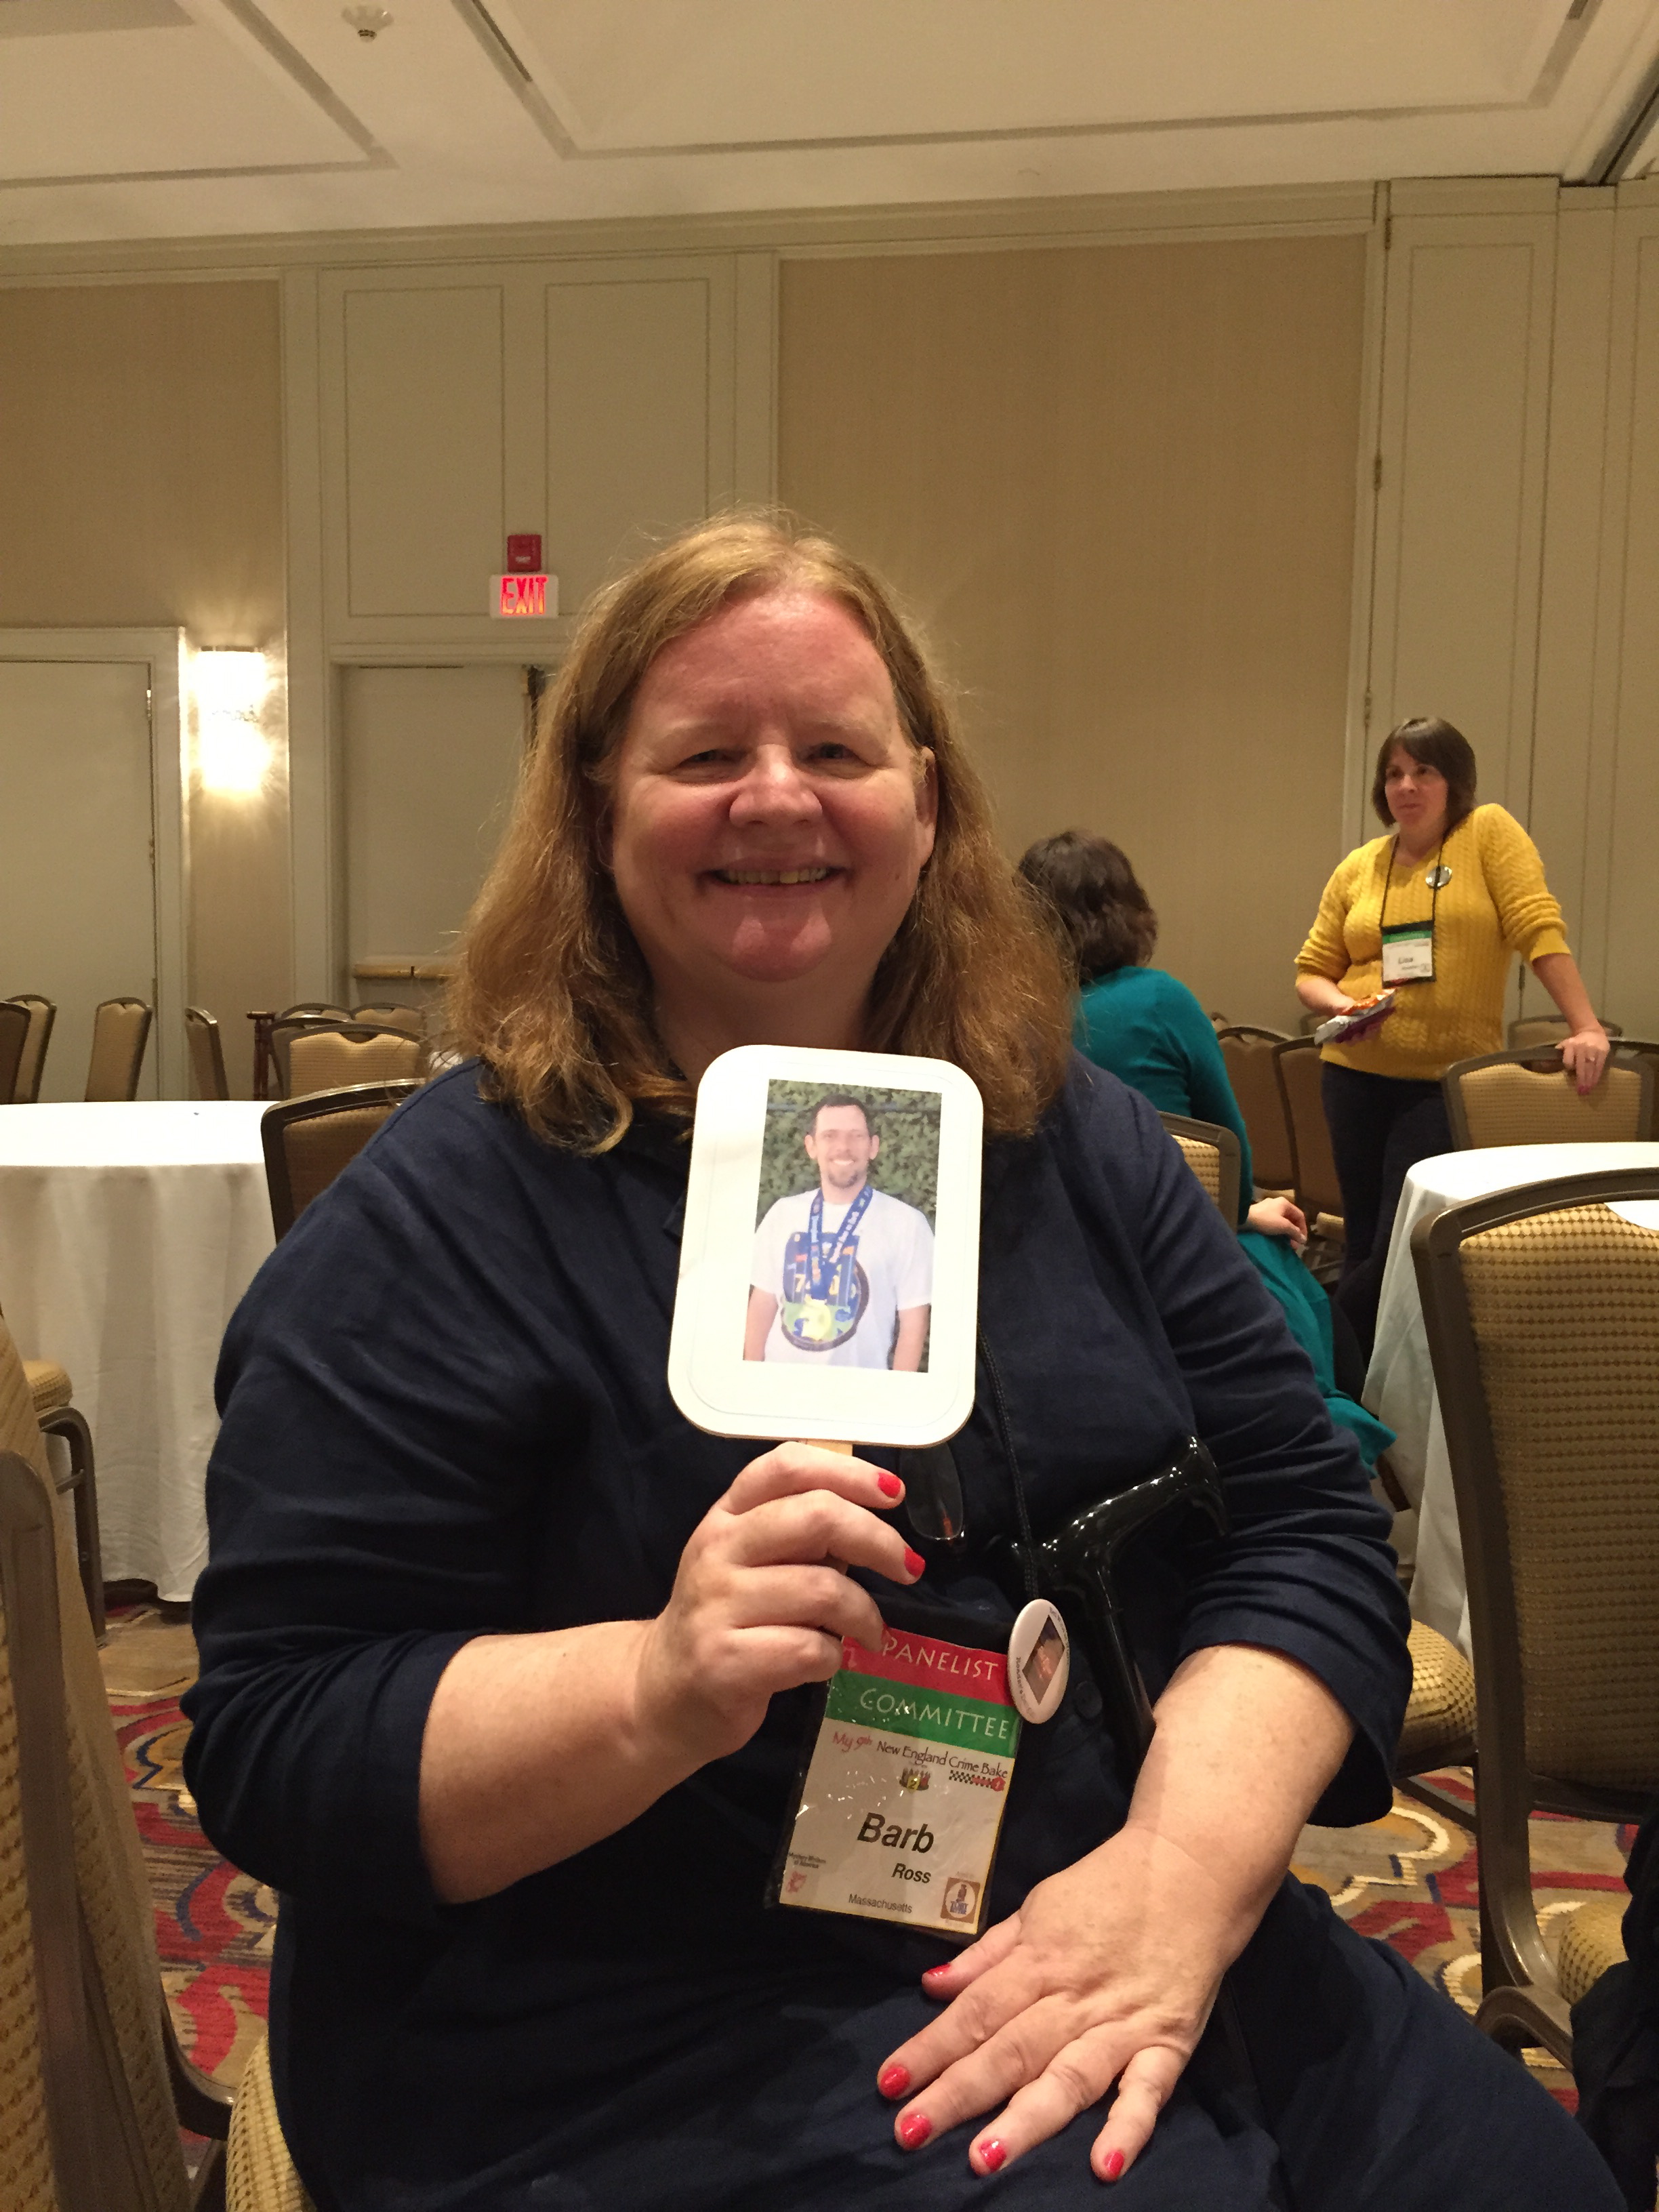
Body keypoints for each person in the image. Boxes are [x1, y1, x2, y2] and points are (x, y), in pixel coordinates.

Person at [183, 519, 1619, 2212]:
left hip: (1123, 1891)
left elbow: (1304, 1526)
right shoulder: (447, 1214)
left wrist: (1173, 1884)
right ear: (591, 811)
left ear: (924, 807)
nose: (776, 798)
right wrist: (652, 1686)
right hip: (633, 2020)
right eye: (704, 756)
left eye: (836, 750)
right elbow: (282, 1733)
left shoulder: (1068, 1138)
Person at [1019, 830, 1391, 1471]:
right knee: (1318, 1318)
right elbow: (1229, 1164)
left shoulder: (1021, 1017)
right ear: (1126, 909)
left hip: (1064, 1263)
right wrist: (1248, 1211)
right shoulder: (1160, 998)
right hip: (1181, 1245)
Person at [1296, 716, 1609, 1349]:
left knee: (1398, 1244)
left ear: (1455, 781)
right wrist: (1346, 1005)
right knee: (1363, 1238)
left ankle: (1310, 1348)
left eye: (1424, 771)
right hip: (1353, 1078)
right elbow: (1311, 971)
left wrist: (1586, 1025)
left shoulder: (1487, 832)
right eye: (1394, 774)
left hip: (1440, 1086)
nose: (1406, 786)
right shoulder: (1359, 866)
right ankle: (1358, 1385)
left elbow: (1537, 928)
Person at [746, 1092, 933, 1366]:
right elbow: (762, 1305)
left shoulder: (908, 1223)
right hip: (778, 1383)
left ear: (873, 1146)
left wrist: (898, 1392)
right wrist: (750, 1378)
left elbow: (914, 1326)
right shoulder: (782, 1213)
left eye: (856, 1136)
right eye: (829, 1136)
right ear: (811, 1146)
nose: (843, 1147)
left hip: (859, 1389)